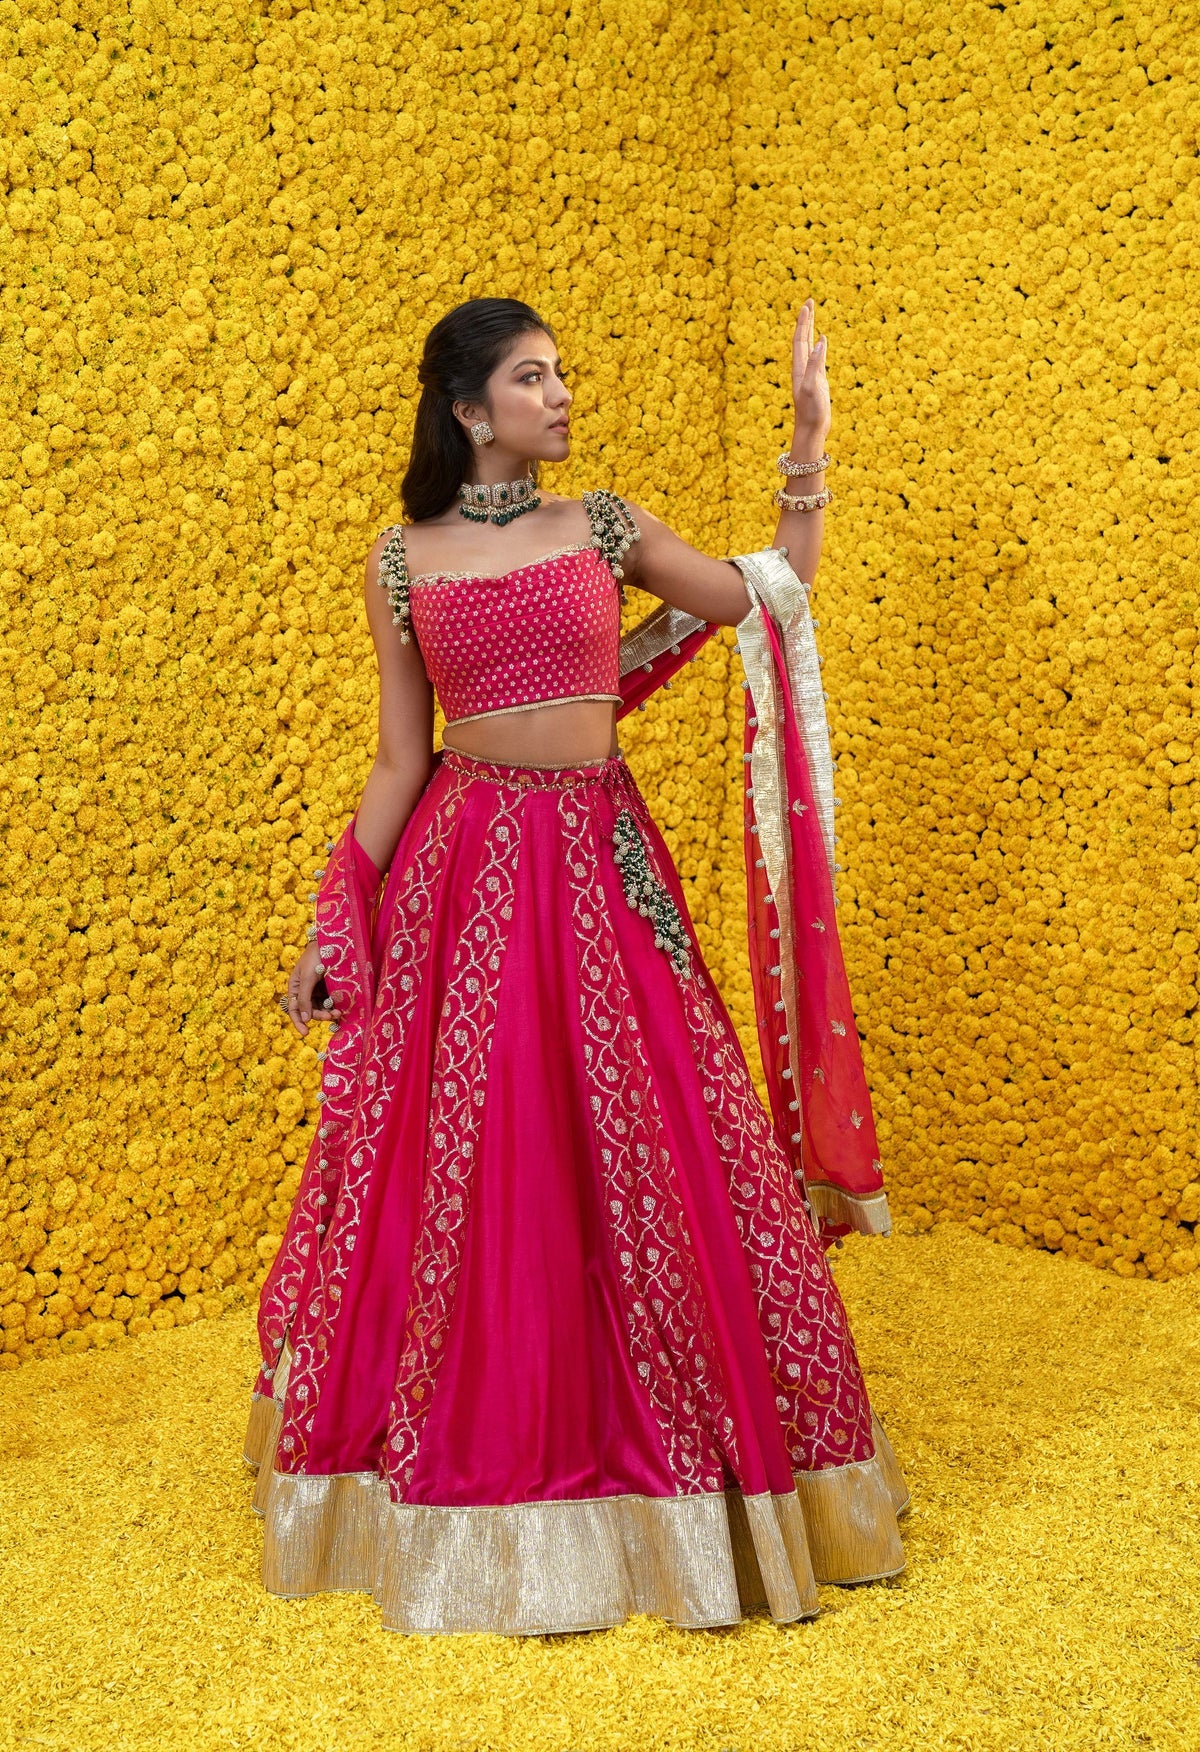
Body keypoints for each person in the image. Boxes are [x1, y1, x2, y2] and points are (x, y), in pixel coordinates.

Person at [242, 295, 909, 1635]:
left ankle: (682, 1474)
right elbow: (401, 759)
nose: (559, 396)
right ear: (468, 408)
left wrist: (806, 448)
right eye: (531, 378)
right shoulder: (400, 561)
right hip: (466, 879)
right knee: (483, 1165)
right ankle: (477, 1482)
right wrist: (338, 917)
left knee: (656, 1146)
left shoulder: (603, 525)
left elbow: (767, 598)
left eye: (560, 374)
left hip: (602, 867)